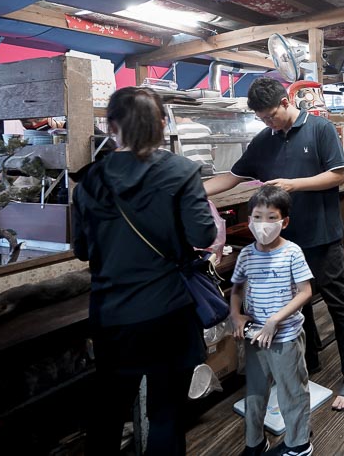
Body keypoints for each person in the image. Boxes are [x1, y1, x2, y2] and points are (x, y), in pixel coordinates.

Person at [204, 77, 344, 412]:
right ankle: (310, 361)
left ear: (285, 101)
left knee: (338, 304)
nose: (268, 123)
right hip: (285, 243)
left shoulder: (319, 129)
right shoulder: (265, 139)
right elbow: (233, 176)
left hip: (321, 236)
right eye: (262, 119)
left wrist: (295, 184)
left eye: (270, 116)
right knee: (297, 306)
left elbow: (338, 175)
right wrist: (194, 191)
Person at [72, 87, 216, 455]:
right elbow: (203, 235)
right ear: (162, 124)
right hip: (169, 312)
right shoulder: (182, 172)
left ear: (111, 126)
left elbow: (82, 251)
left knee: (108, 413)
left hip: (112, 316)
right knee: (167, 413)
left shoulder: (89, 180)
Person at [230, 186, 314, 456]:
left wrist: (275, 320)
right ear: (249, 220)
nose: (262, 224)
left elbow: (306, 292)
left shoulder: (292, 253)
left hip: (285, 338)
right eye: (257, 217)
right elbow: (236, 289)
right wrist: (236, 314)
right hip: (255, 336)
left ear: (284, 221)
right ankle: (255, 443)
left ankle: (299, 444)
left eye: (270, 217)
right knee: (254, 392)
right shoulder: (246, 254)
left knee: (291, 392)